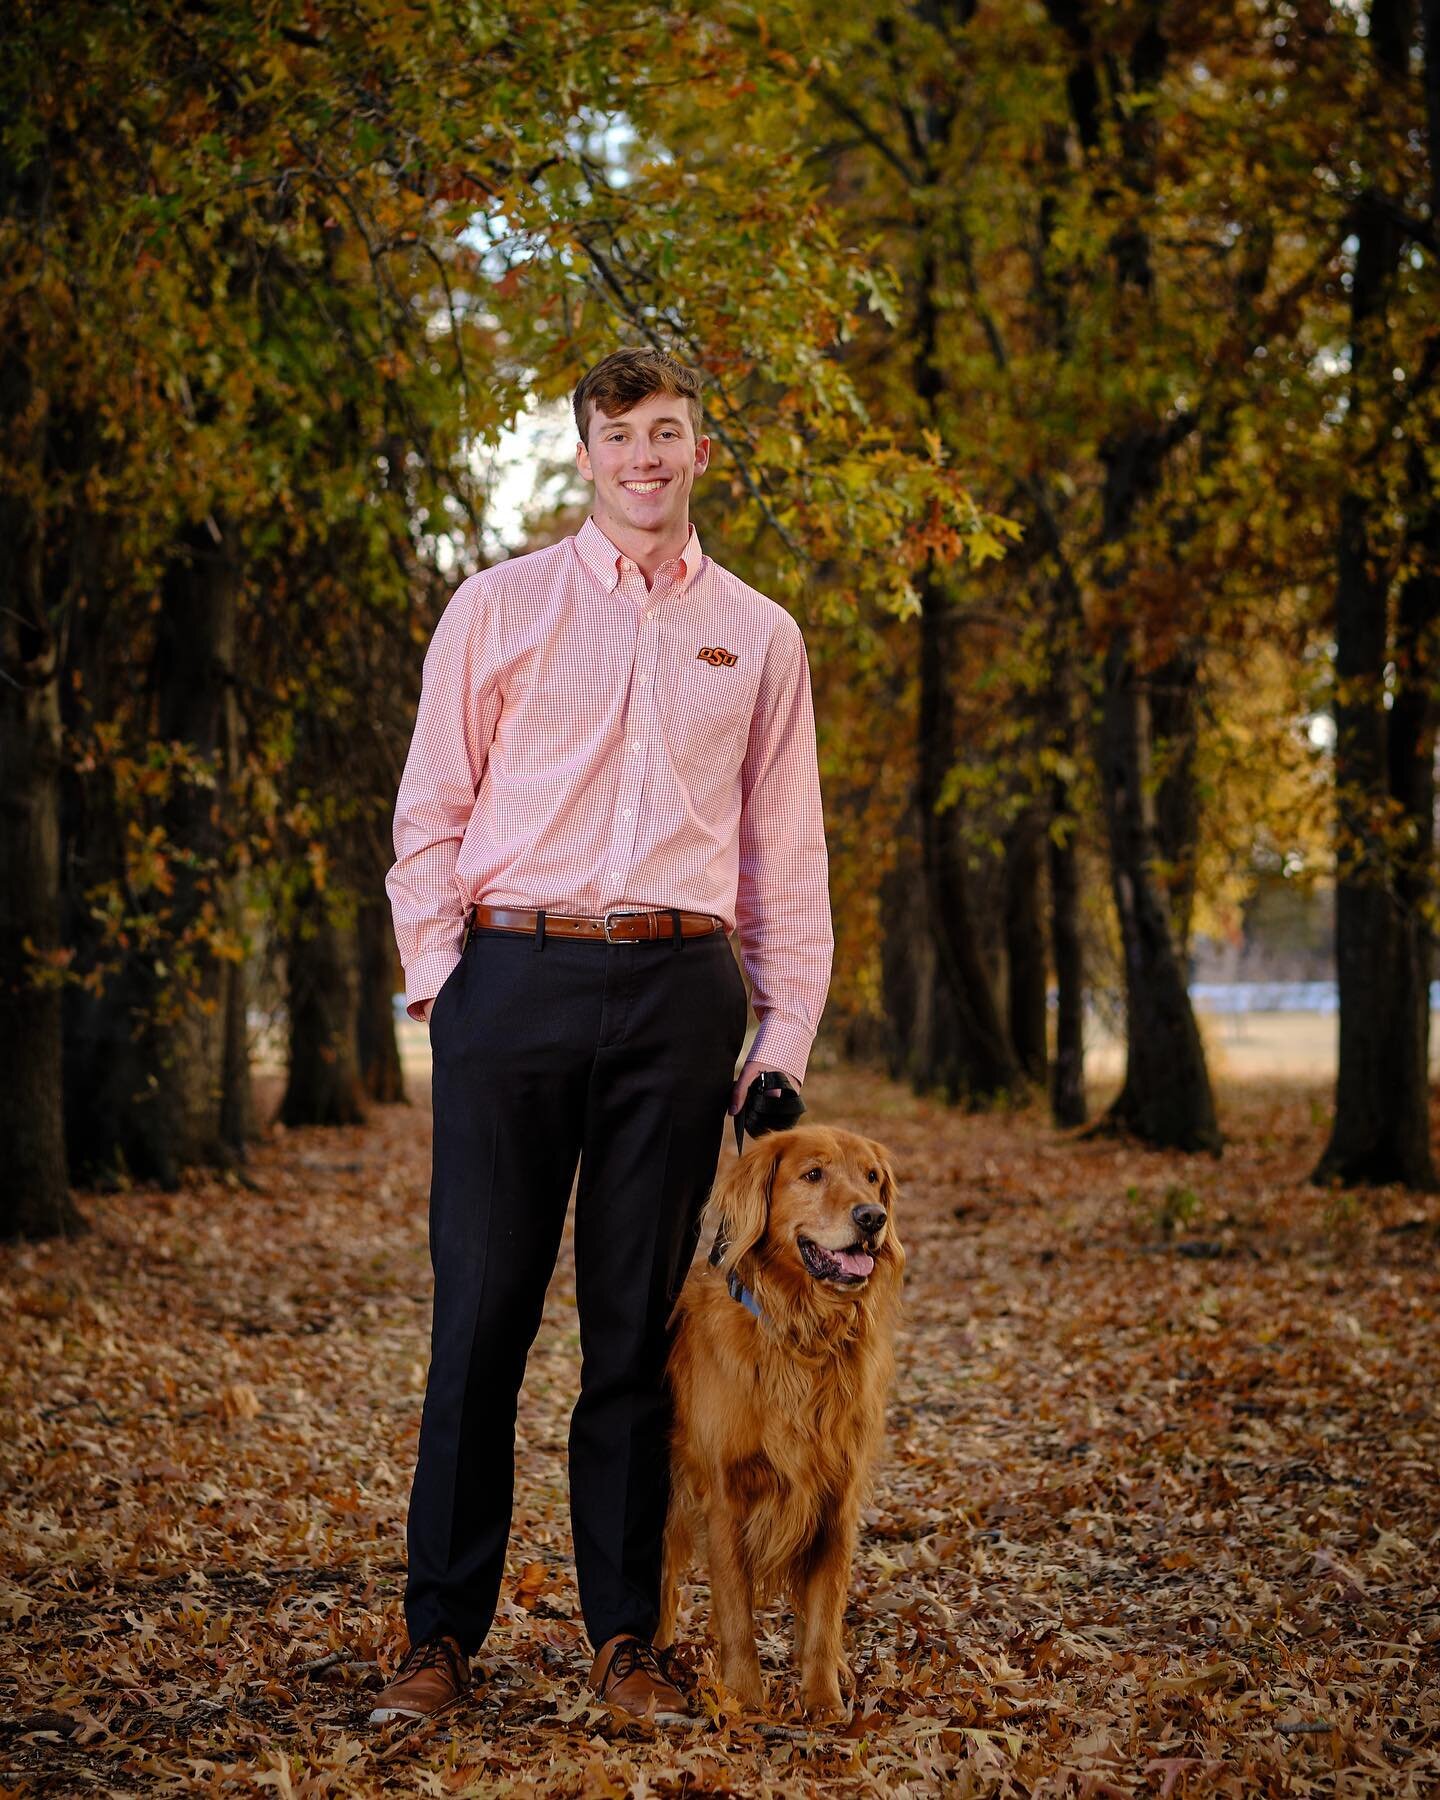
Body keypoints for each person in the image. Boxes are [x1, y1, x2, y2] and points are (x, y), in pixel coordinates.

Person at [373, 345, 833, 1725]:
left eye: (669, 431)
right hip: (514, 984)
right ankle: (437, 1641)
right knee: (482, 1324)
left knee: (634, 1339)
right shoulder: (499, 608)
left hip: (677, 1001)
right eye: (619, 432)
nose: (645, 455)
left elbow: (785, 855)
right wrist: (446, 988)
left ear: (702, 450)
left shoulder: (760, 634)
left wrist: (780, 1038)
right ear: (585, 452)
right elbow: (429, 815)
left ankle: (627, 1641)